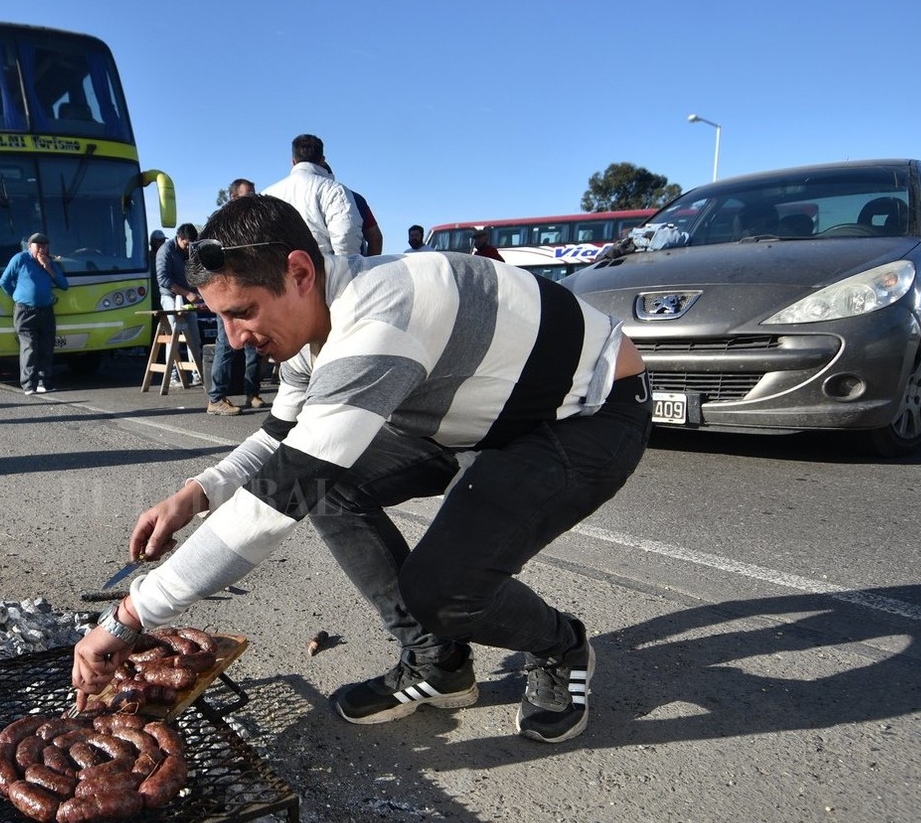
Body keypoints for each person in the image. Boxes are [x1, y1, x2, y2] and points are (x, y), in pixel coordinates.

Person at [72, 194, 652, 745]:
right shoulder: (308, 325)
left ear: (299, 272)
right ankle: (438, 662)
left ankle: (561, 645)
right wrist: (196, 493)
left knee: (442, 589)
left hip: (588, 416)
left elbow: (280, 495)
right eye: (220, 318)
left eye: (242, 313)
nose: (236, 340)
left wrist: (129, 616)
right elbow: (279, 437)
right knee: (332, 483)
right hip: (477, 416)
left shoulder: (379, 318)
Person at [206, 180, 266, 414]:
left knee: (254, 342)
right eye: (247, 195)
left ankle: (252, 393)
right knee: (227, 344)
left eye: (254, 194)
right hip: (228, 292)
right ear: (233, 197)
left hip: (250, 290)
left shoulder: (253, 222)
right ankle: (216, 399)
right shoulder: (219, 224)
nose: (253, 198)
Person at [261, 134, 361, 258]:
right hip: (325, 272)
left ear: (293, 161)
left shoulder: (266, 194)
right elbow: (346, 238)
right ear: (322, 160)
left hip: (279, 272)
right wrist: (346, 273)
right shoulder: (334, 190)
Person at [0, 232, 68, 394]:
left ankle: (45, 382)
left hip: (46, 310)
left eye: (45, 246)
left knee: (46, 346)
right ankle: (29, 384)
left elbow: (64, 285)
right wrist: (17, 296)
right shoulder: (20, 259)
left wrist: (48, 267)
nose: (42, 249)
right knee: (29, 346)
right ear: (30, 247)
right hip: (25, 310)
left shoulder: (50, 262)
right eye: (38, 246)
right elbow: (4, 281)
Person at [155, 223, 206, 391]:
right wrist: (187, 294)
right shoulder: (165, 251)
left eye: (191, 244)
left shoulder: (191, 250)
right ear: (179, 238)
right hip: (170, 296)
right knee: (174, 335)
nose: (188, 248)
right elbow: (164, 280)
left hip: (188, 296)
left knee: (193, 337)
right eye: (186, 244)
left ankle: (197, 374)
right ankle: (173, 376)